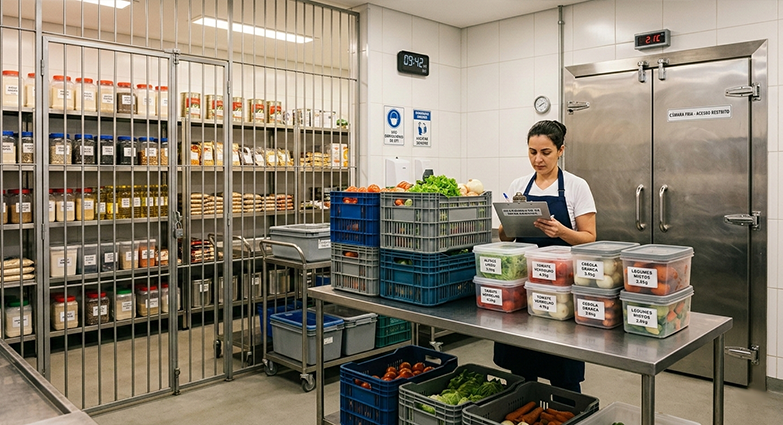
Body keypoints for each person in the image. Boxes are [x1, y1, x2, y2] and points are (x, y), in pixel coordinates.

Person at [495, 120, 597, 393]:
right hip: (522, 282)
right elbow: (506, 239)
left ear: (561, 150)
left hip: (560, 285)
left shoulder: (576, 186)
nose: (537, 160)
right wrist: (508, 223)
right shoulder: (519, 185)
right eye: (532, 152)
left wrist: (561, 231)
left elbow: (589, 237)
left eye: (545, 153)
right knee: (521, 367)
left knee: (562, 370)